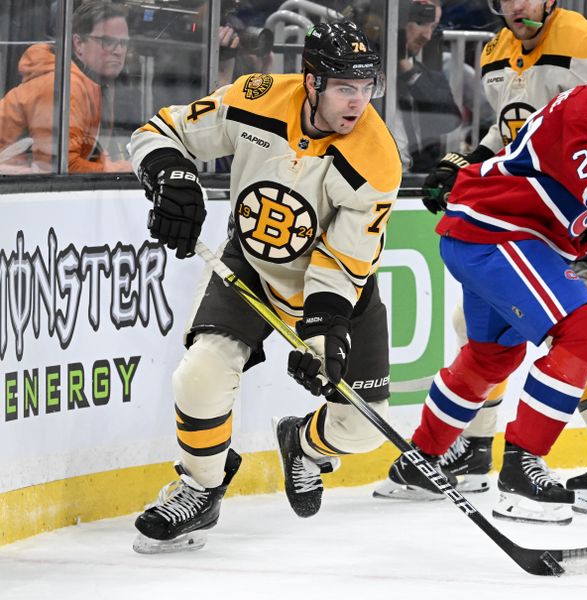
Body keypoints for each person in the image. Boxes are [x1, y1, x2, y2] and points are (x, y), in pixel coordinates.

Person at [377, 24, 587, 525]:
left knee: (491, 355)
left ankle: (420, 462)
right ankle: (522, 468)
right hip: (498, 234)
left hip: (486, 231)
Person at [128, 20, 401, 553]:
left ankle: (301, 442)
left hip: (335, 294)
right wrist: (172, 177)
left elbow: (341, 264)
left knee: (362, 431)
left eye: (368, 88)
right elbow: (158, 132)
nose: (359, 102)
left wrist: (323, 339)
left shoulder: (376, 159)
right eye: (346, 87)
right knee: (201, 373)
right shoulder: (255, 98)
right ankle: (199, 489)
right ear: (313, 81)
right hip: (251, 265)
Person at [0, 0, 131, 174]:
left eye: (124, 43)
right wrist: (122, 169)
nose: (119, 51)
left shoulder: (95, 84)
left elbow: (85, 153)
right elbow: (61, 168)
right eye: (108, 41)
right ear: (78, 44)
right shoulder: (63, 85)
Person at [393, 0, 463, 172]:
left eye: (433, 27)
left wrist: (409, 73)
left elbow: (449, 120)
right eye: (421, 23)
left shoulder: (430, 77)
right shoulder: (363, 74)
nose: (427, 35)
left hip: (416, 178)